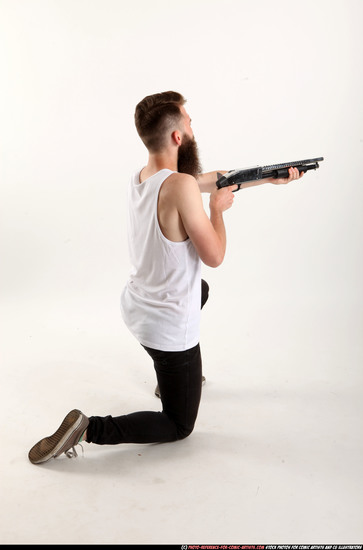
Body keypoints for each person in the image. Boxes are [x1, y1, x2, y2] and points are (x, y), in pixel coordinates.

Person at [28, 91, 303, 464]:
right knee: (178, 424)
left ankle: (168, 376)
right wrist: (217, 211)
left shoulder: (146, 178)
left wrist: (268, 178)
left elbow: (212, 179)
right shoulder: (182, 187)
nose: (192, 127)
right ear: (177, 137)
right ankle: (89, 428)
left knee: (198, 289)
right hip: (168, 329)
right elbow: (215, 255)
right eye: (188, 122)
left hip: (137, 308)